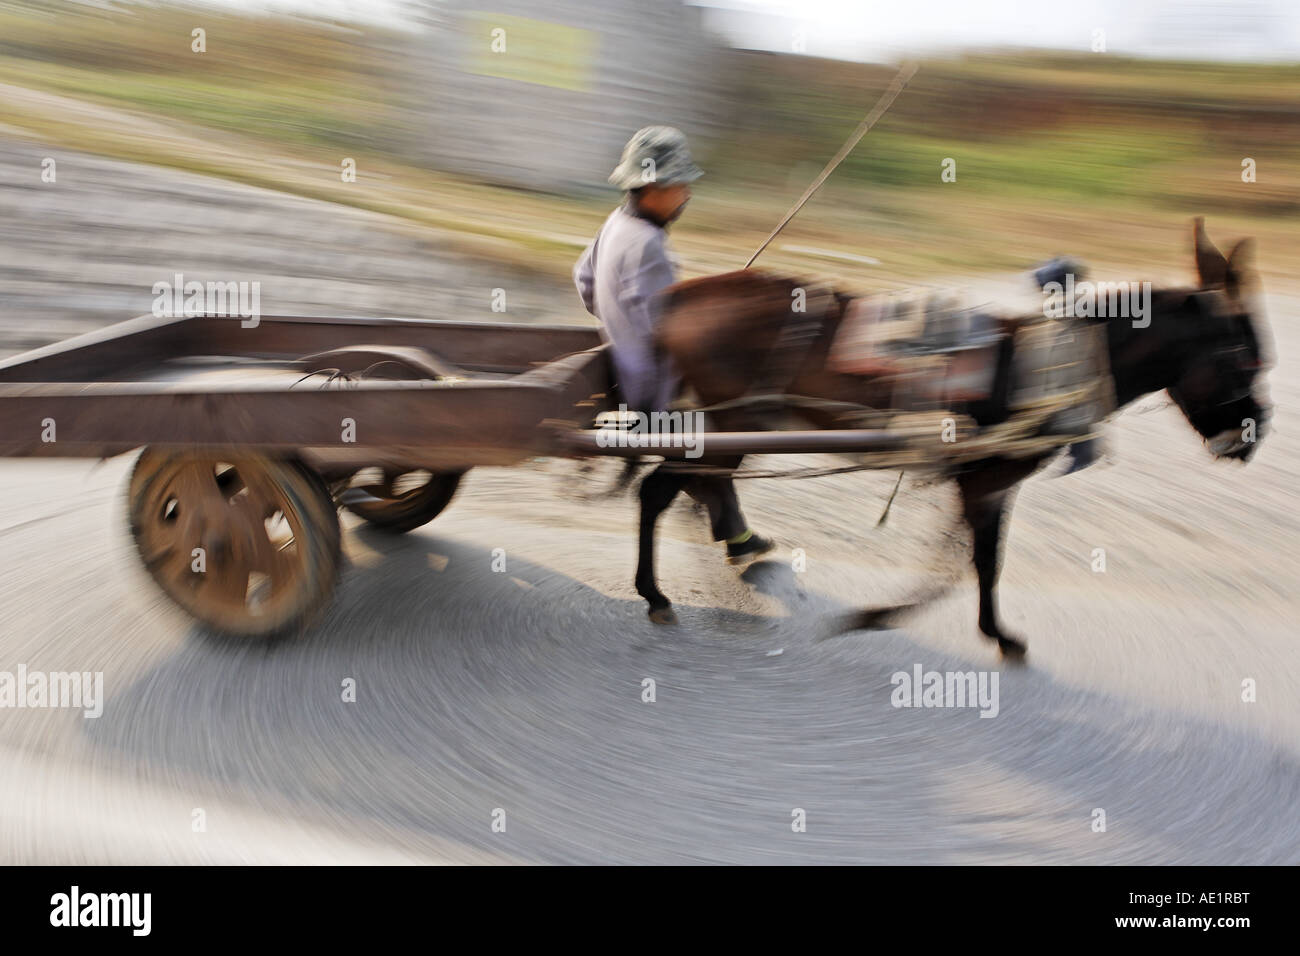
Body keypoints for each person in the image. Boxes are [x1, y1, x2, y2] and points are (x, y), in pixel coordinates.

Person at [574, 126, 773, 564]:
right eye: (680, 185)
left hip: (627, 366)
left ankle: (735, 533)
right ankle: (717, 512)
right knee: (733, 418)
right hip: (650, 389)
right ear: (652, 187)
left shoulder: (616, 222)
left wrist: (614, 323)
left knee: (724, 420)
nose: (687, 195)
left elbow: (584, 280)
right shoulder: (649, 245)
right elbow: (665, 334)